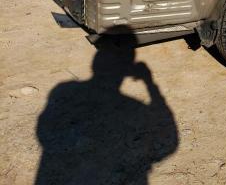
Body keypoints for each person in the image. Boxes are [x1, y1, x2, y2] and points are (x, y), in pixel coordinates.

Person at [35, 46, 178, 185]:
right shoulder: (133, 106)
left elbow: (43, 130)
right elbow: (171, 141)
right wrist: (150, 84)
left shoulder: (64, 90)